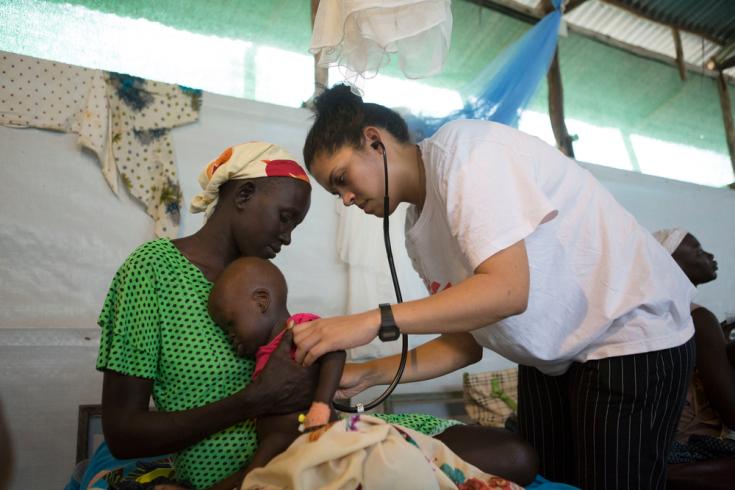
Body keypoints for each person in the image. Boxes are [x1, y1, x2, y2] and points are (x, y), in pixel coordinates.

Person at [293, 83, 696, 490]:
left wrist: (372, 321)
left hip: (627, 335)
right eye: (334, 191)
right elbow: (465, 343)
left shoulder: (465, 154)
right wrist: (368, 373)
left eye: (342, 179)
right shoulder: (418, 229)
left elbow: (507, 291)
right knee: (547, 481)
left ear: (374, 141)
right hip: (553, 358)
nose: (344, 199)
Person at [96, 142, 317, 490]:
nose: (287, 238)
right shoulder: (154, 270)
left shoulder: (258, 282)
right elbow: (123, 435)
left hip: (297, 464)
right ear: (243, 195)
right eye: (285, 217)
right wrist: (253, 401)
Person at [207, 256, 345, 475]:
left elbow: (335, 353)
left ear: (261, 302)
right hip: (274, 439)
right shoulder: (261, 354)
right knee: (254, 476)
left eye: (231, 325)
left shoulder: (297, 328)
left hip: (308, 429)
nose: (230, 337)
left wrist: (321, 404)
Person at [653, 229, 735, 488]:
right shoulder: (698, 317)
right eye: (699, 251)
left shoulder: (655, 311)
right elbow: (732, 412)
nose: (710, 256)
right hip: (685, 447)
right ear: (672, 265)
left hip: (647, 444)